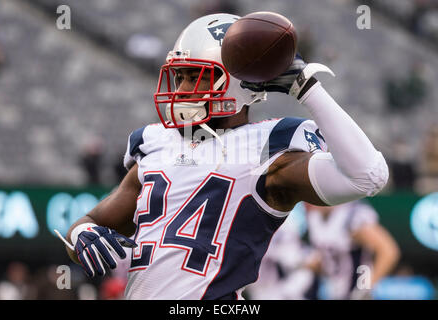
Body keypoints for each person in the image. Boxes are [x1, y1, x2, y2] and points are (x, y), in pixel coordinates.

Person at [60, 13, 389, 300]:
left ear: (235, 83)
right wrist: (81, 236)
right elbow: (88, 225)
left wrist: (308, 89)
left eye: (196, 77)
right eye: (181, 77)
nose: (182, 89)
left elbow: (368, 175)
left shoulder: (268, 149)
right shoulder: (156, 143)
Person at [304, 201, 400, 299]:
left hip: (354, 292)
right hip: (334, 292)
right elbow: (330, 261)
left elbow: (388, 251)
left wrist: (366, 286)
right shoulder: (314, 218)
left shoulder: (351, 215)